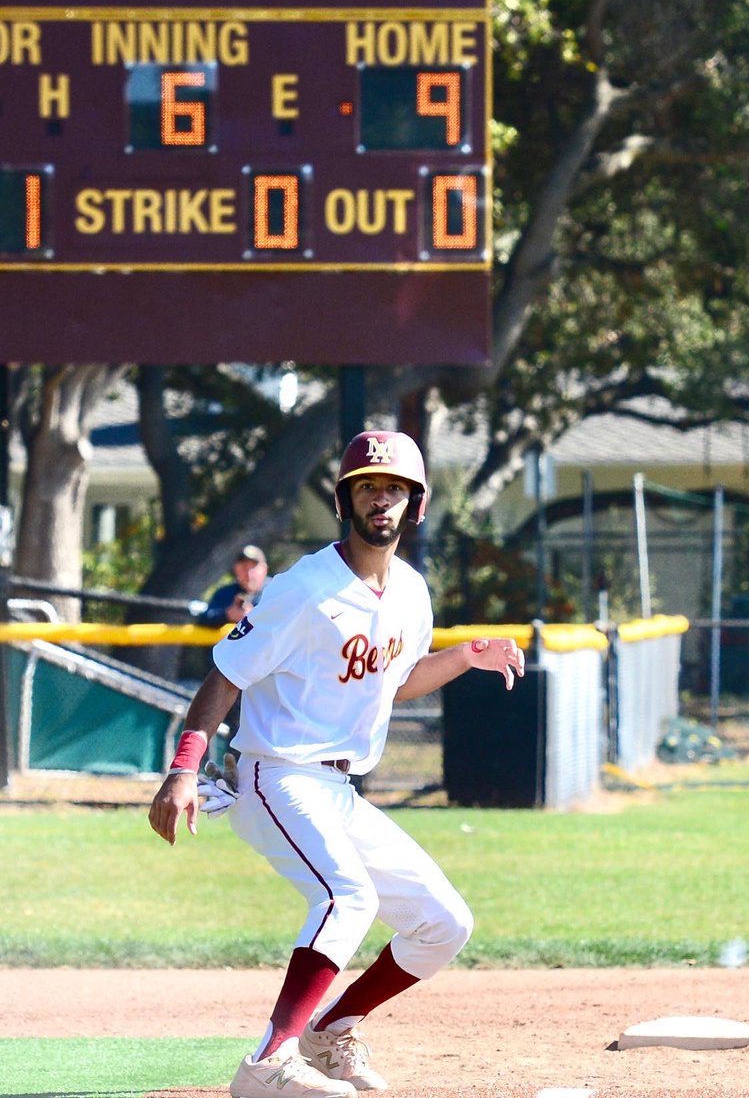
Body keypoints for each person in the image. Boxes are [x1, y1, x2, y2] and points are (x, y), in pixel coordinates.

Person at [149, 430, 525, 1098]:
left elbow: (397, 681)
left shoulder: (411, 592)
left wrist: (465, 656)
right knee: (347, 896)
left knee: (444, 922)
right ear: (344, 501)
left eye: (395, 489)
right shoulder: (302, 588)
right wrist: (183, 768)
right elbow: (225, 675)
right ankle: (267, 1063)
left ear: (416, 505)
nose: (381, 500)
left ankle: (330, 1031)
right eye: (367, 487)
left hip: (338, 788)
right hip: (275, 773)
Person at [198, 544, 269, 628]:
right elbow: (204, 619)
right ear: (235, 569)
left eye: (253, 567)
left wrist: (253, 616)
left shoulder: (275, 590)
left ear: (264, 569)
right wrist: (227, 615)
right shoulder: (225, 593)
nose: (248, 573)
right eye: (244, 568)